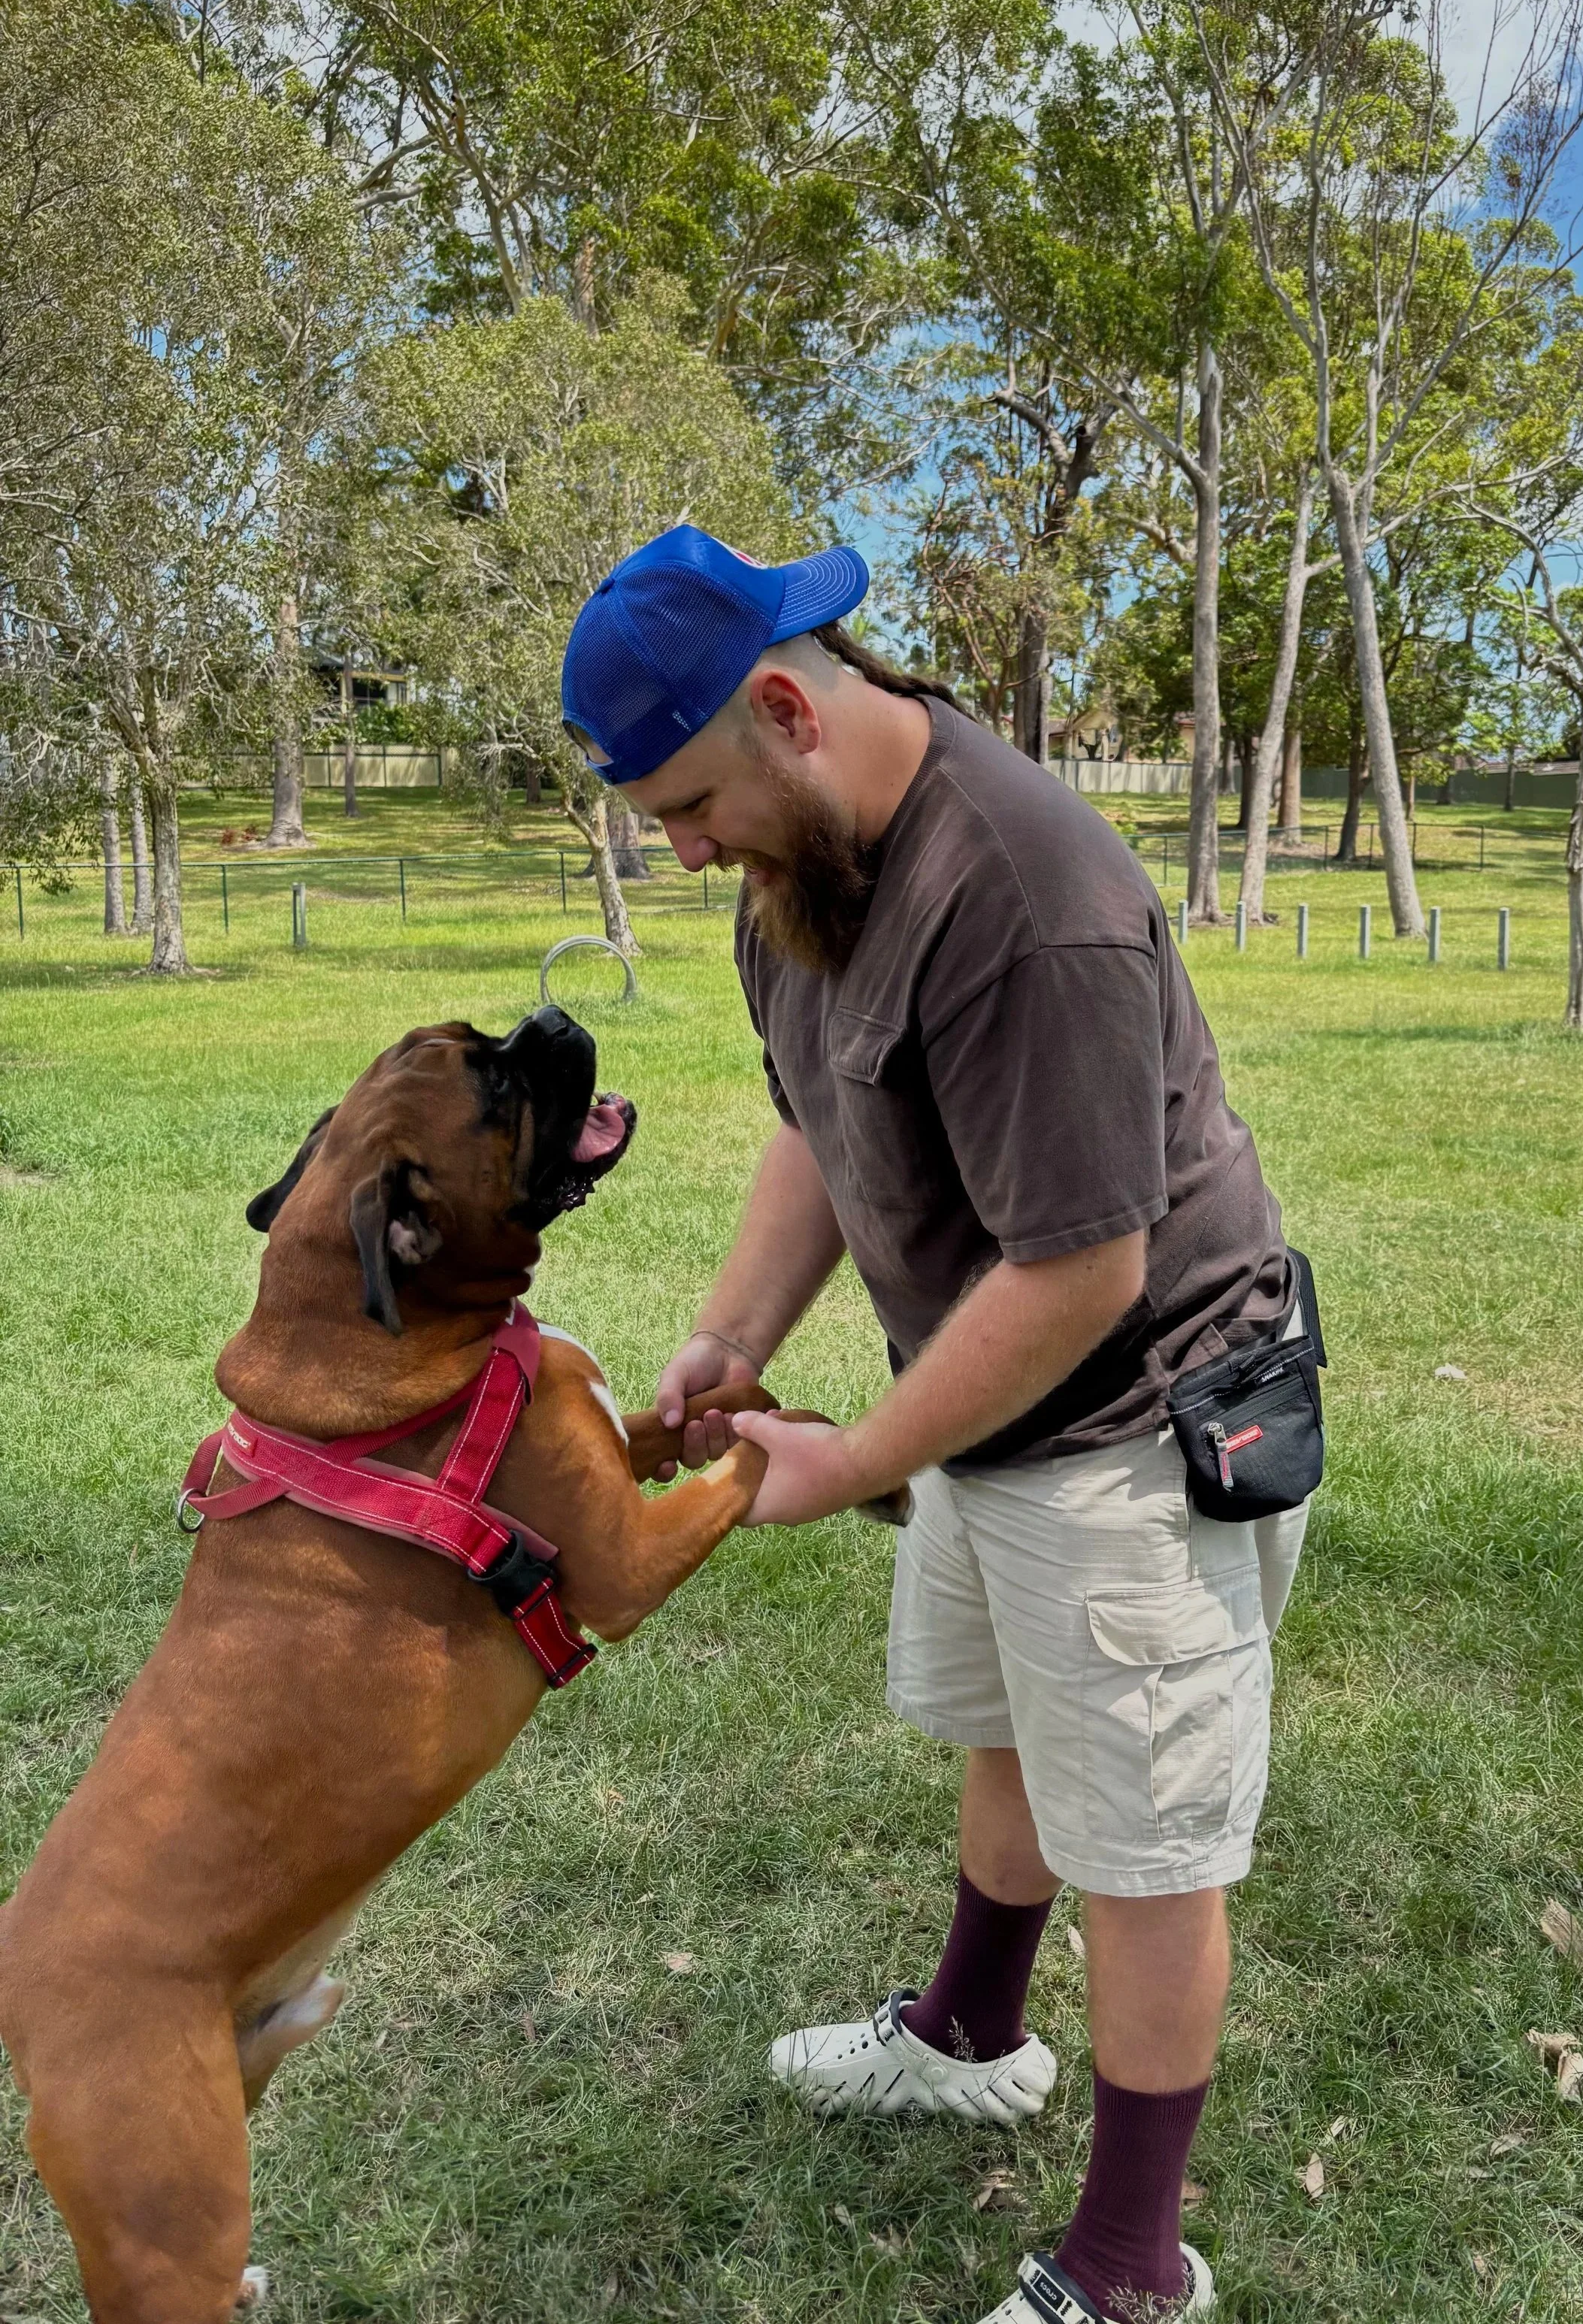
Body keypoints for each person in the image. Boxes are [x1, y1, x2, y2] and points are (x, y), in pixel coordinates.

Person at [561, 526, 1314, 2324]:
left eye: (685, 801)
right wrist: (734, 1336)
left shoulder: (1021, 891)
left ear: (783, 705)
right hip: (988, 1400)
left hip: (1140, 1408)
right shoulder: (801, 870)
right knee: (1004, 1734)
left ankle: (1128, 2268)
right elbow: (818, 1124)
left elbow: (1077, 1267)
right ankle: (970, 2032)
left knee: (1140, 1844)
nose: (678, 848)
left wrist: (856, 1455)